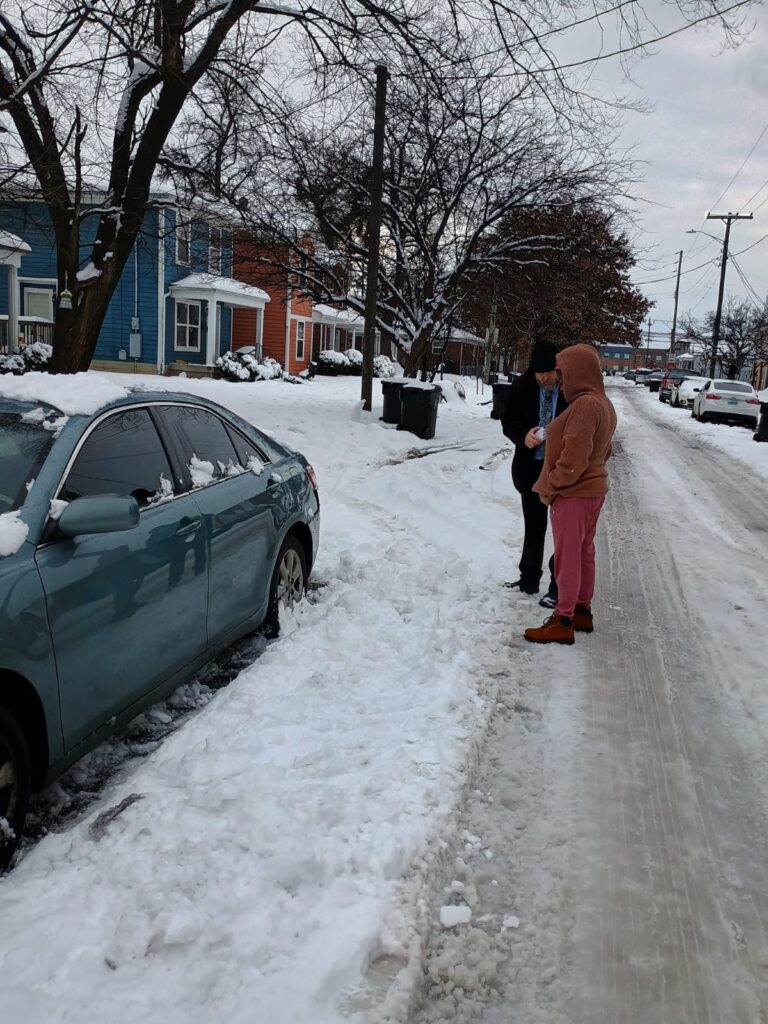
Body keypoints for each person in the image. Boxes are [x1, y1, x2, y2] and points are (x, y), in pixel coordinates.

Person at [524, 343, 617, 645]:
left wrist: (551, 483)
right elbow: (606, 449)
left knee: (568, 557)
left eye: (564, 372)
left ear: (578, 371)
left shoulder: (585, 406)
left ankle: (562, 619)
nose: (561, 379)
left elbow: (573, 459)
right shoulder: (603, 403)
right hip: (592, 490)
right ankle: (581, 611)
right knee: (583, 551)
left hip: (574, 493)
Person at [500, 339, 567, 605]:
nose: (545, 379)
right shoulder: (523, 385)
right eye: (540, 375)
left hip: (562, 469)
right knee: (534, 525)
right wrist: (522, 436)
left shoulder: (569, 389)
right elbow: (508, 419)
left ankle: (558, 585)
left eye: (549, 374)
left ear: (558, 369)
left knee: (563, 529)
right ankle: (528, 578)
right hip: (532, 466)